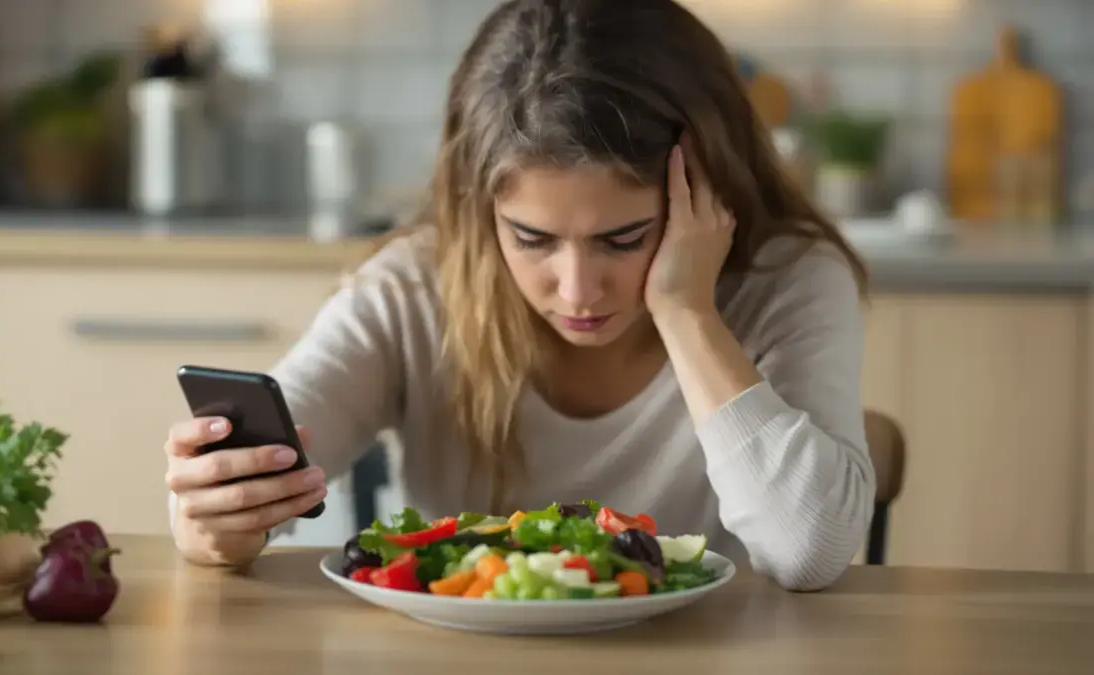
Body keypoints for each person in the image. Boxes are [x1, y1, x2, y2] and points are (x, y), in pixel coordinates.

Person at [163, 0, 875, 592]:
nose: (577, 290)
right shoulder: (413, 287)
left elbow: (808, 551)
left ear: (707, 194)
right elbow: (270, 456)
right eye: (532, 238)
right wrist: (216, 518)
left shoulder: (790, 281)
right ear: (480, 210)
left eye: (625, 238)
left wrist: (687, 311)